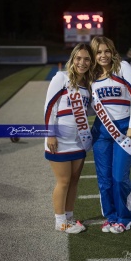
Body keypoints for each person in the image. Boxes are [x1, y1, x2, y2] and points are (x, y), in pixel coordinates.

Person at [90, 36, 131, 234]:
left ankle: (124, 218)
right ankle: (111, 217)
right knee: (104, 180)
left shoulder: (123, 67)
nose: (103, 55)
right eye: (98, 52)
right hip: (101, 131)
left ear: (112, 51)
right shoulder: (91, 75)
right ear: (93, 55)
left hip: (124, 128)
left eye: (106, 51)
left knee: (119, 177)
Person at [44, 43, 94, 233]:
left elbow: (87, 110)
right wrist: (50, 134)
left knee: (74, 181)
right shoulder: (61, 78)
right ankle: (60, 223)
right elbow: (49, 107)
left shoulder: (86, 86)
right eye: (78, 58)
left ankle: (70, 218)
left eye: (87, 59)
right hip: (60, 139)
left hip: (78, 139)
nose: (82, 62)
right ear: (72, 59)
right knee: (63, 181)